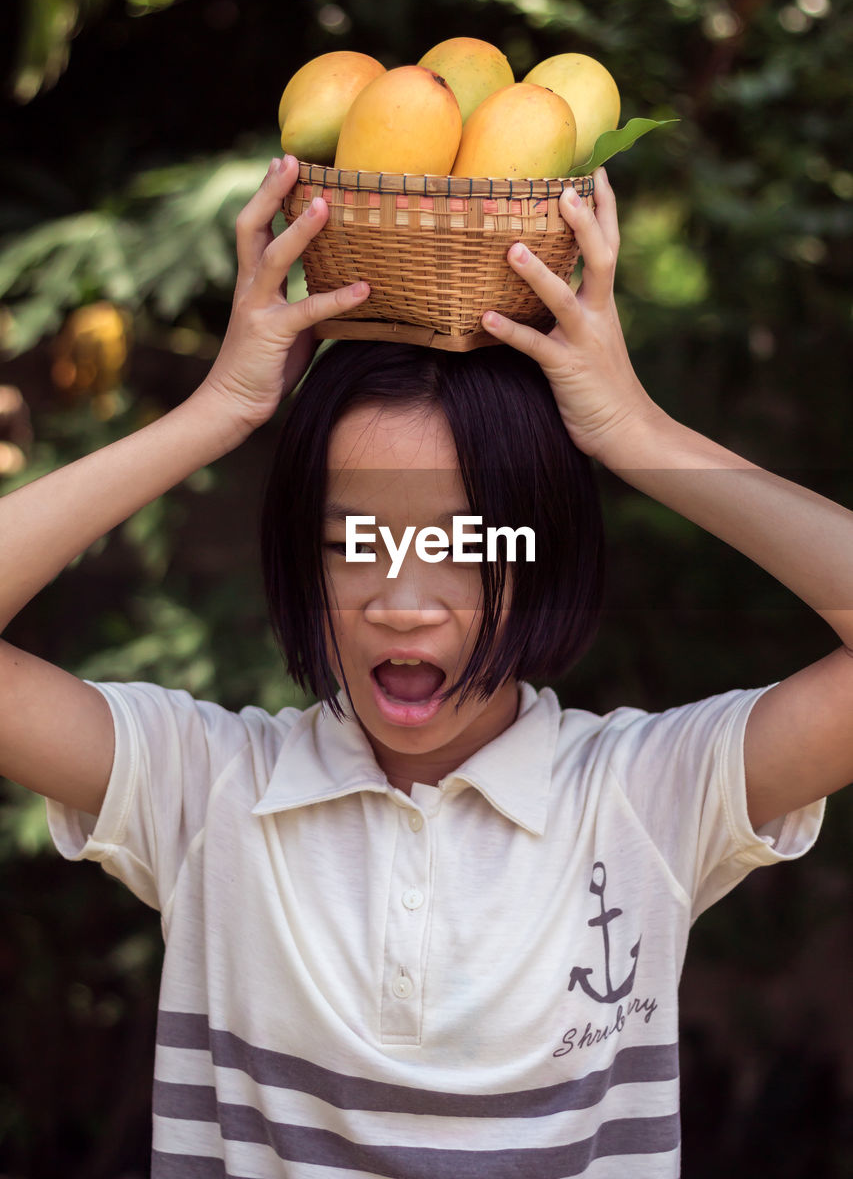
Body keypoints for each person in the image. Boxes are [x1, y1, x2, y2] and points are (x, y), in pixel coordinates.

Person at [0, 154, 850, 1178]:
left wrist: (637, 431)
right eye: (354, 538)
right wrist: (214, 411)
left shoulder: (644, 802)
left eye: (463, 543)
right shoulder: (205, 790)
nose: (403, 600)